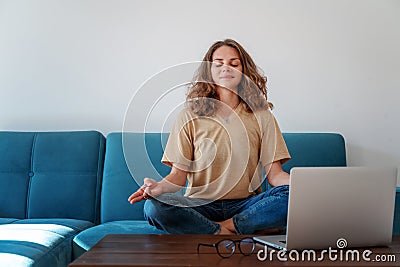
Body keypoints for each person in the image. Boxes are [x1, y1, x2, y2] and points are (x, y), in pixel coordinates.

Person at [128, 39, 291, 235]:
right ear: (209, 71)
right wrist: (158, 187)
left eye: (234, 63)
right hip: (199, 205)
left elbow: (275, 175)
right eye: (218, 63)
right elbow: (178, 178)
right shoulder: (189, 115)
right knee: (154, 207)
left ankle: (222, 228)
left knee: (292, 197)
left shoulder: (262, 116)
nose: (226, 68)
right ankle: (233, 230)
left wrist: (304, 186)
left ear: (243, 70)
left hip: (246, 205)